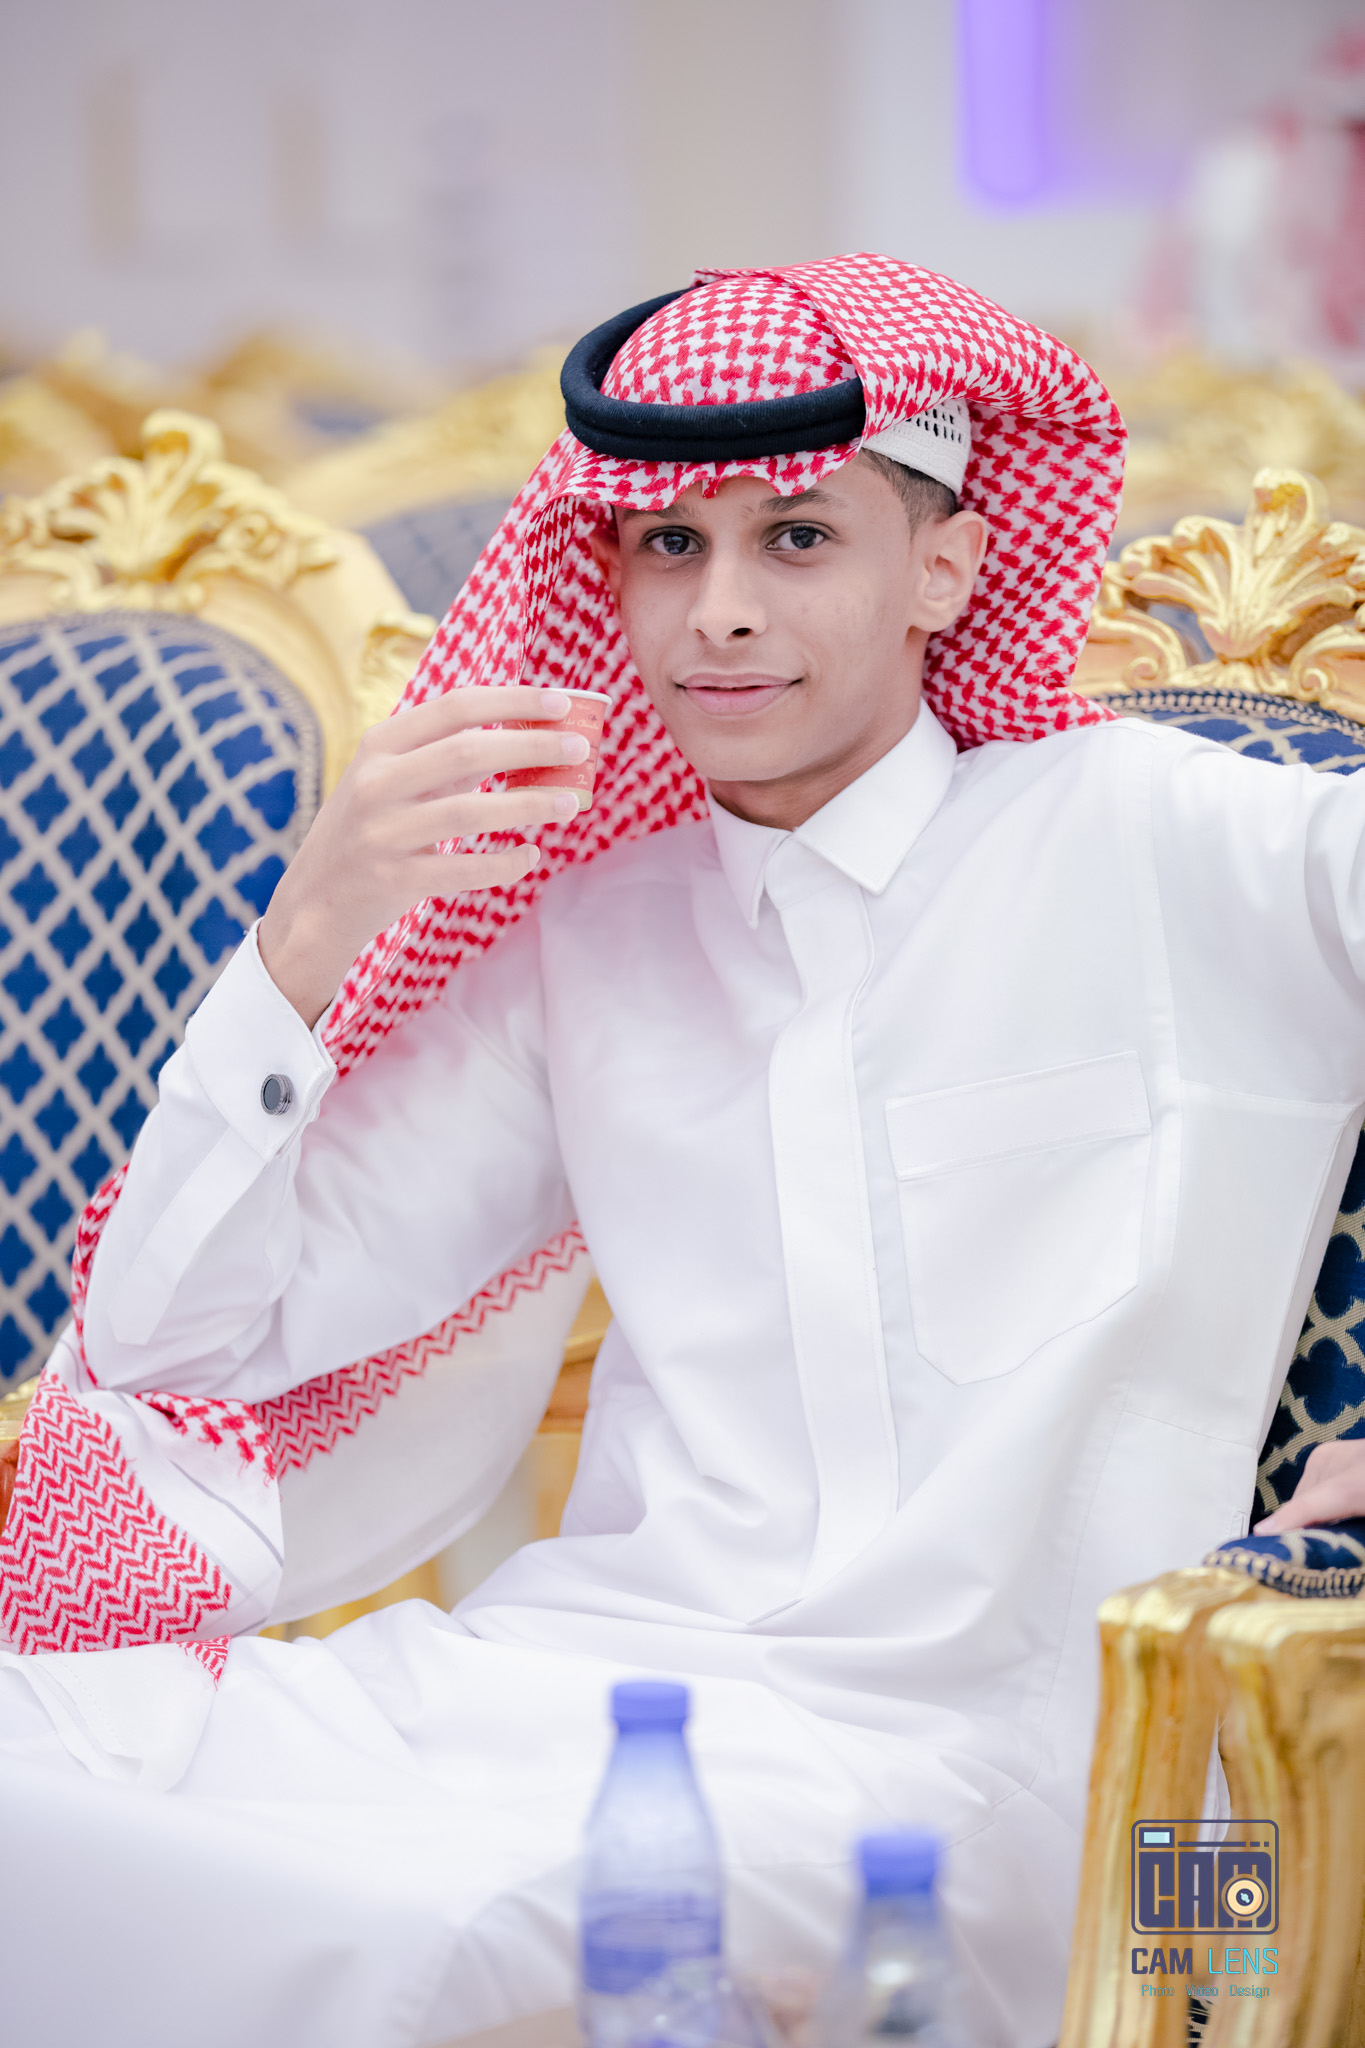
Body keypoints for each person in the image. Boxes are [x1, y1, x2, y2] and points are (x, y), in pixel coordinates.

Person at [3, 256, 1365, 2048]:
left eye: (795, 538)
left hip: (975, 1772)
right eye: (669, 544)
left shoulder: (1171, 841)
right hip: (570, 1689)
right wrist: (306, 942)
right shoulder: (589, 930)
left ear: (945, 568)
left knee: (430, 1946)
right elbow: (183, 1343)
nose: (719, 611)